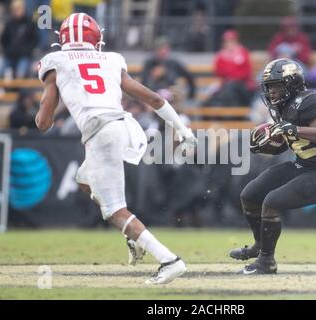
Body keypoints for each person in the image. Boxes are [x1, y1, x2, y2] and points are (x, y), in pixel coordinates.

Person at [36, 13, 197, 284]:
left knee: (113, 210)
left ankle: (169, 260)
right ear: (95, 38)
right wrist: (183, 129)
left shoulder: (55, 61)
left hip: (101, 131)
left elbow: (43, 122)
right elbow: (154, 98)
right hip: (124, 125)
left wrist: (57, 93)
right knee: (84, 180)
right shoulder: (111, 59)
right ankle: (131, 235)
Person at [230, 58, 316, 274]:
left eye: (275, 85)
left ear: (291, 83)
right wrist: (265, 146)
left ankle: (266, 261)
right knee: (250, 195)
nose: (271, 92)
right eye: (268, 87)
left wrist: (294, 129)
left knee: (271, 202)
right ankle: (259, 245)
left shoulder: (311, 100)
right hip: (302, 165)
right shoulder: (283, 106)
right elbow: (287, 144)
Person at [1, 0, 38, 78]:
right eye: (14, 9)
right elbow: (3, 40)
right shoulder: (9, 23)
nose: (16, 11)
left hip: (24, 56)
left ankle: (20, 90)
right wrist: (8, 51)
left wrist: (26, 50)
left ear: (23, 9)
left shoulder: (30, 23)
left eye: (18, 9)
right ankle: (6, 90)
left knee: (21, 72)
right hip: (9, 56)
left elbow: (35, 40)